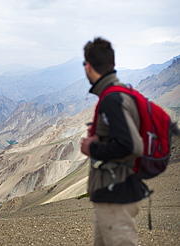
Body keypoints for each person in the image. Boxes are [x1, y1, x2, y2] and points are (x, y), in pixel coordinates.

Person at [80, 37, 147, 246]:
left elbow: (131, 146)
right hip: (110, 195)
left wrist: (92, 146)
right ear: (113, 65)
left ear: (88, 66)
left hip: (115, 196)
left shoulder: (112, 100)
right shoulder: (117, 94)